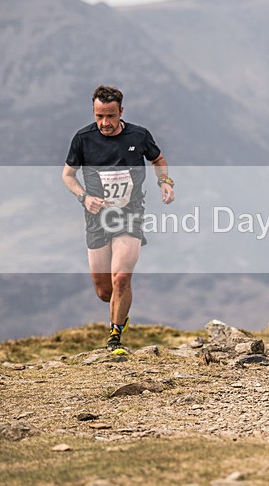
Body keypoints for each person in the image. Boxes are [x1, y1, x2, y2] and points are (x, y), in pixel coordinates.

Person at [62, 85, 175, 352]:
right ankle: (119, 306)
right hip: (96, 219)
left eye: (110, 116)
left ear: (121, 111)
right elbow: (68, 175)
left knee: (121, 278)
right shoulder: (83, 138)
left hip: (130, 214)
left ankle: (115, 337)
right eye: (99, 116)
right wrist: (83, 197)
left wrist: (165, 182)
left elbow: (158, 160)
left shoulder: (139, 134)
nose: (105, 123)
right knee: (104, 291)